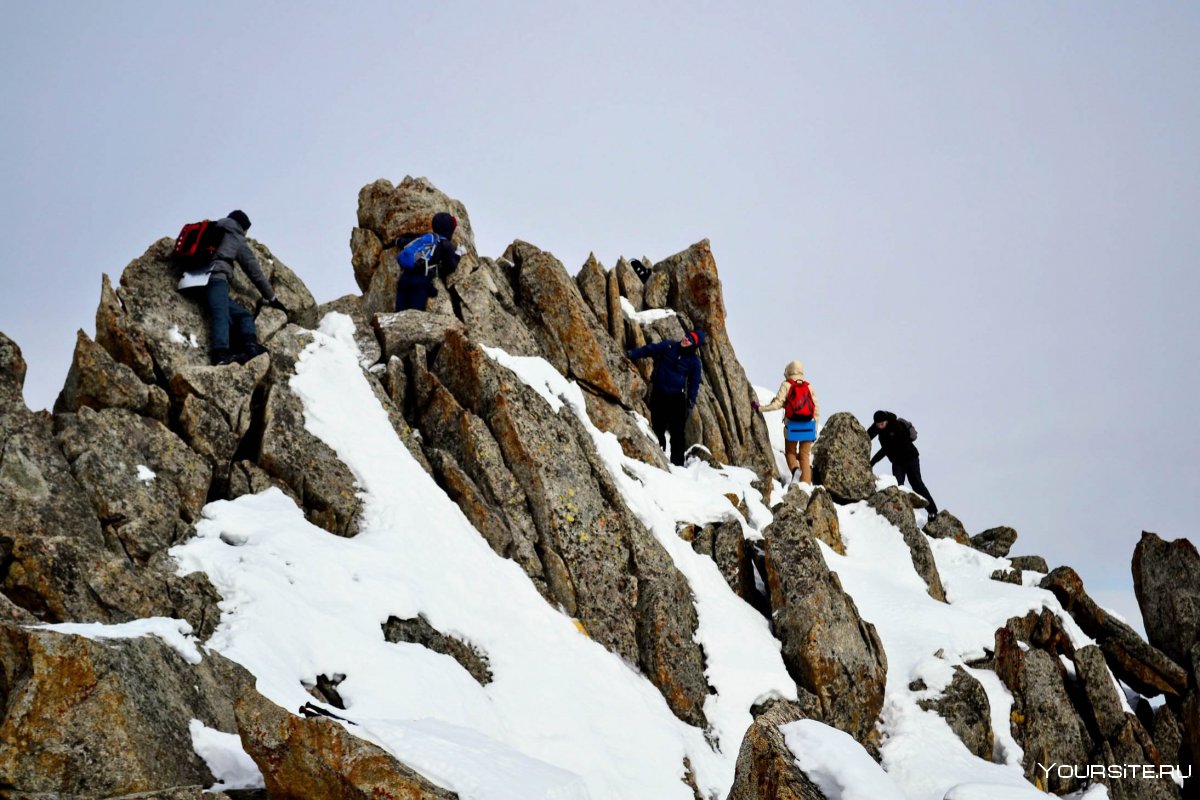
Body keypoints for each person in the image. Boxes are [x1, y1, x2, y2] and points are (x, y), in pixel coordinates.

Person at [181, 210, 286, 366]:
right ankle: (220, 355)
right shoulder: (236, 237)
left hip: (191, 279)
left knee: (243, 315)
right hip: (215, 279)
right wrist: (272, 298)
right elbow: (254, 272)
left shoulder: (213, 227)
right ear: (243, 227)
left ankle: (249, 346)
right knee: (221, 314)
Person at [626, 331, 705, 466]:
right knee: (657, 427)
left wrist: (690, 403)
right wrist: (632, 354)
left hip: (677, 399)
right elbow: (650, 350)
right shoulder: (669, 346)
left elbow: (694, 384)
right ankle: (659, 458)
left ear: (694, 345)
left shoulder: (694, 362)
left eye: (690, 340)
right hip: (659, 393)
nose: (686, 339)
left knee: (677, 435)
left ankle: (677, 466)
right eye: (687, 336)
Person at [752, 360, 819, 484]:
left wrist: (760, 408)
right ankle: (806, 485)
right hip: (808, 426)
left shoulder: (787, 384)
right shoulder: (809, 386)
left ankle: (795, 470)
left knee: (790, 452)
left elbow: (777, 404)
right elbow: (816, 409)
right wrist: (814, 429)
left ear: (788, 371)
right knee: (804, 455)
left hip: (792, 425)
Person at [866, 410, 938, 515]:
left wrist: (872, 462)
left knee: (917, 484)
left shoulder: (896, 426)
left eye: (882, 424)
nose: (880, 427)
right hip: (897, 461)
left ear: (886, 421)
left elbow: (886, 449)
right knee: (897, 487)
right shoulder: (878, 425)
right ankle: (902, 514)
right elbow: (867, 436)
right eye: (878, 425)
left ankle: (932, 511)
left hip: (910, 458)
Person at [389, 212, 461, 312]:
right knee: (414, 315)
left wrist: (397, 241)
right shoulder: (445, 244)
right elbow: (451, 266)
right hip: (420, 282)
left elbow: (408, 242)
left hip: (404, 278)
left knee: (399, 314)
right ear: (449, 229)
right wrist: (458, 253)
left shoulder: (427, 237)